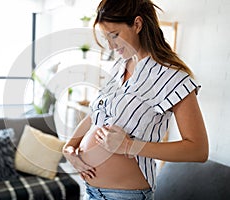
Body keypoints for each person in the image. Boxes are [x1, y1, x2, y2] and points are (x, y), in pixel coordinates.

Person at [62, 0, 209, 199]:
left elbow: (198, 150)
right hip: (90, 191)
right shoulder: (119, 67)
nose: (112, 46)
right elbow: (96, 115)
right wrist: (69, 147)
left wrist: (128, 146)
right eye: (107, 38)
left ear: (137, 24)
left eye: (115, 35)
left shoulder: (173, 77)